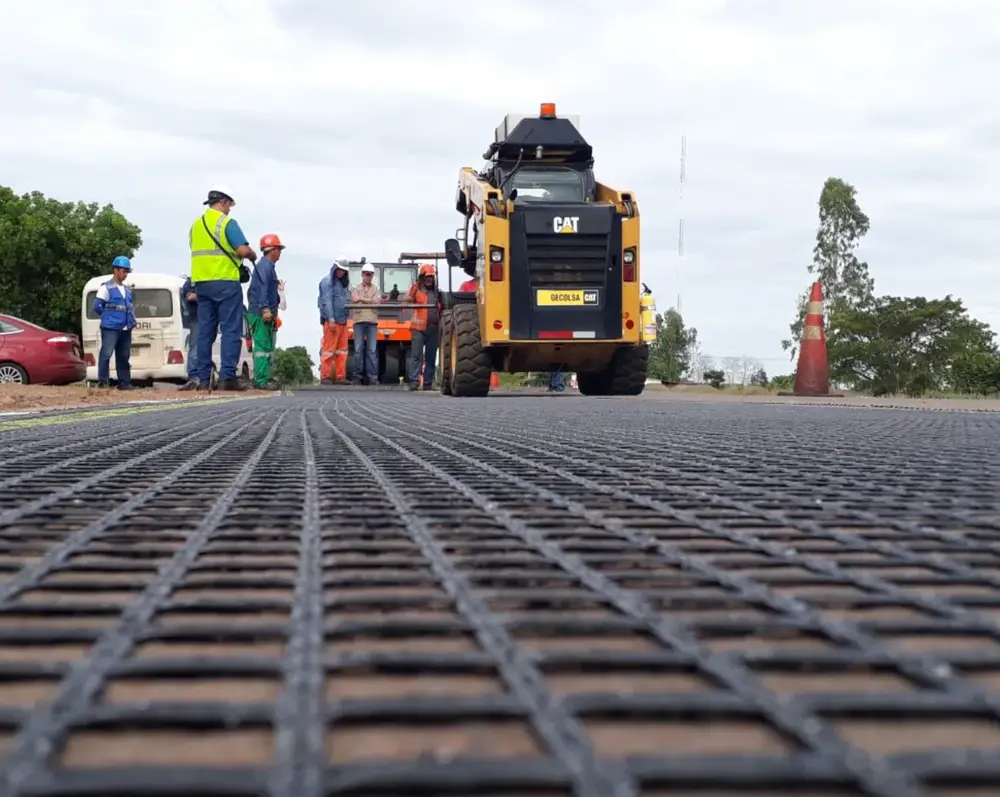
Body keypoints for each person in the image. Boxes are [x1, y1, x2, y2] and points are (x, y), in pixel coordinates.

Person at [188, 183, 256, 392]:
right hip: (226, 283)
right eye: (229, 205)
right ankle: (227, 377)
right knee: (230, 330)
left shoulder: (196, 225)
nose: (229, 209)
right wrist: (253, 255)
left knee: (205, 332)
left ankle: (201, 378)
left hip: (202, 284)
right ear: (224, 202)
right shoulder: (227, 223)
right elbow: (242, 250)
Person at [92, 255, 137, 390]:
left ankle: (124, 383)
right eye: (124, 271)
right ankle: (103, 382)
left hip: (125, 328)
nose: (125, 274)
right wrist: (107, 318)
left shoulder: (128, 290)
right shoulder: (106, 288)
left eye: (127, 271)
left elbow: (129, 308)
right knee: (106, 354)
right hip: (110, 327)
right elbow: (97, 306)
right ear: (116, 270)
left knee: (124, 356)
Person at [246, 233, 284, 390]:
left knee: (267, 348)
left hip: (263, 313)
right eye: (279, 249)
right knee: (262, 347)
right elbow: (262, 289)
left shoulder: (266, 267)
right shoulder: (265, 267)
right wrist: (265, 309)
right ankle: (260, 380)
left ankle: (264, 378)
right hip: (262, 314)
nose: (280, 252)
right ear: (272, 250)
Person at [405, 264, 442, 391]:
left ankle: (427, 383)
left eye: (431, 277)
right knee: (416, 355)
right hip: (418, 329)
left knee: (431, 357)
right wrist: (413, 290)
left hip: (433, 329)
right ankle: (414, 381)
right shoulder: (416, 290)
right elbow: (407, 301)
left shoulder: (438, 292)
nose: (429, 279)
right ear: (421, 277)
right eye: (427, 277)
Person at [318, 257, 350, 384]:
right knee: (328, 351)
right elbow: (326, 301)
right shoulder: (327, 282)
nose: (341, 272)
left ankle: (340, 376)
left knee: (342, 351)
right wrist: (331, 319)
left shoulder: (342, 284)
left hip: (342, 321)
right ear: (335, 268)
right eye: (340, 270)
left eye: (344, 271)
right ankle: (325, 376)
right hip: (333, 321)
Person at [351, 262, 380, 385]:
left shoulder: (376, 289)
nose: (368, 276)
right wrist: (369, 300)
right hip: (358, 322)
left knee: (372, 350)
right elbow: (354, 299)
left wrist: (362, 299)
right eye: (366, 274)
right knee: (358, 350)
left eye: (370, 274)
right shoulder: (355, 288)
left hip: (372, 322)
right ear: (362, 275)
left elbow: (376, 301)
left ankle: (372, 377)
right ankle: (357, 377)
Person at [178, 275, 199, 391]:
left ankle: (201, 376)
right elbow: (190, 296)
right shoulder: (191, 282)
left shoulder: (206, 282)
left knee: (202, 349)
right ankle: (193, 377)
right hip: (197, 319)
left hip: (208, 319)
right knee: (195, 348)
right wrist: (207, 297)